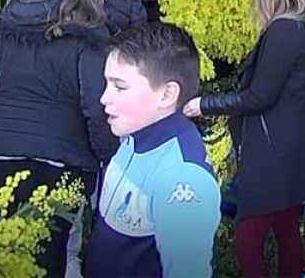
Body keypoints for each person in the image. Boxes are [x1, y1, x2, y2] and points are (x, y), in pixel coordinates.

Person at [0, 0, 118, 278]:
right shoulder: (89, 36)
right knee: (57, 255)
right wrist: (107, 155)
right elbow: (96, 106)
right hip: (64, 160)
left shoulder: (4, 25)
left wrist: (2, 120)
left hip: (1, 154)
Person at [183, 0, 305, 278]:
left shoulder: (283, 30)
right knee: (286, 230)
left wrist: (204, 104)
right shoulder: (298, 24)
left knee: (247, 242)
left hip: (274, 152)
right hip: (289, 148)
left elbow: (259, 96)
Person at [85, 23, 221, 278]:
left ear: (167, 94)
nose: (104, 98)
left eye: (120, 87)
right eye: (107, 83)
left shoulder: (183, 177)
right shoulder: (132, 137)